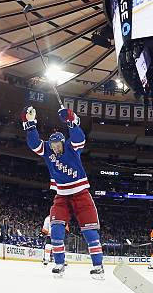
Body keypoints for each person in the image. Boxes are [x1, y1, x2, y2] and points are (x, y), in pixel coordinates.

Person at [22, 106, 104, 279]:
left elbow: (79, 137)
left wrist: (70, 120)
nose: (55, 148)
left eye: (57, 145)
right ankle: (59, 263)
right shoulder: (48, 150)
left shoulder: (71, 147)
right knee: (56, 231)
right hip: (61, 196)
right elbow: (34, 143)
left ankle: (98, 266)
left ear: (62, 142)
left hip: (81, 194)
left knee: (90, 232)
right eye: (53, 145)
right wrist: (30, 123)